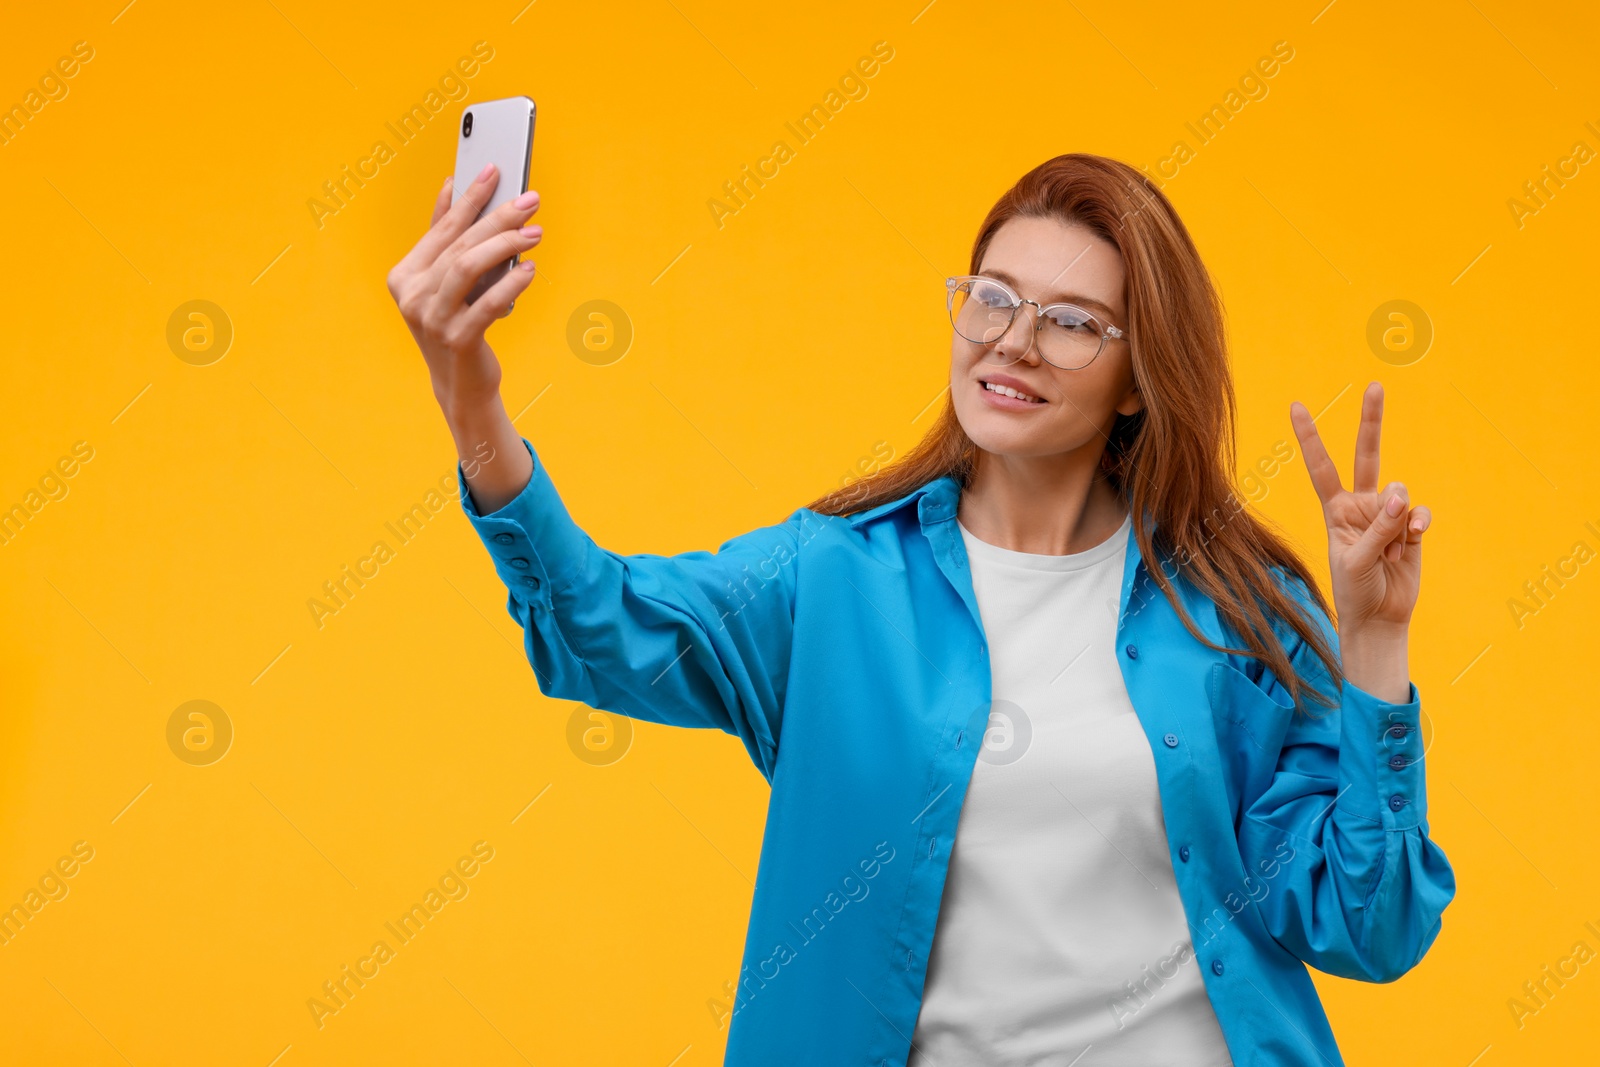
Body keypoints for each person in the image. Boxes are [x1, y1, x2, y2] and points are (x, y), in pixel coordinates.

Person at [386, 152, 1455, 1066]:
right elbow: (594, 629)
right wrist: (467, 392)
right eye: (991, 296)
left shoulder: (1239, 607)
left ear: (1139, 378)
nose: (1013, 341)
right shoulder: (832, 578)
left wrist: (1373, 643)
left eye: (1073, 322)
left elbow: (1370, 923)